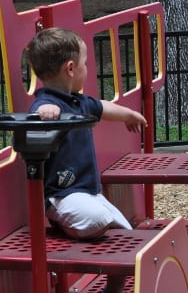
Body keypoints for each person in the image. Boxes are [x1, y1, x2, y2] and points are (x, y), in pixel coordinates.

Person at [24, 27, 148, 292]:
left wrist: (128, 114)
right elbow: (36, 119)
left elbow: (103, 107)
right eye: (85, 63)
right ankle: (75, 227)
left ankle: (112, 289)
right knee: (95, 220)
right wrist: (46, 112)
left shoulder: (79, 102)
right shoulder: (45, 104)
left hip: (89, 192)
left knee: (126, 236)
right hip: (62, 197)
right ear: (71, 68)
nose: (87, 69)